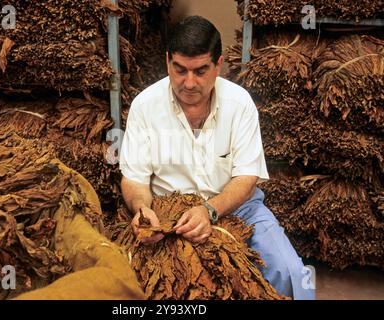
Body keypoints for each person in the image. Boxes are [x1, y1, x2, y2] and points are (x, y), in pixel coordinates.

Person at [119, 15, 315, 300]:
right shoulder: (145, 106)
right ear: (167, 63)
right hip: (168, 213)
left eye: (200, 71)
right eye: (180, 70)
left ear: (218, 65)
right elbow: (135, 178)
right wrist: (142, 210)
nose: (189, 83)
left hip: (238, 207)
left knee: (291, 274)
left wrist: (209, 211)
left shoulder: (240, 103)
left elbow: (246, 177)